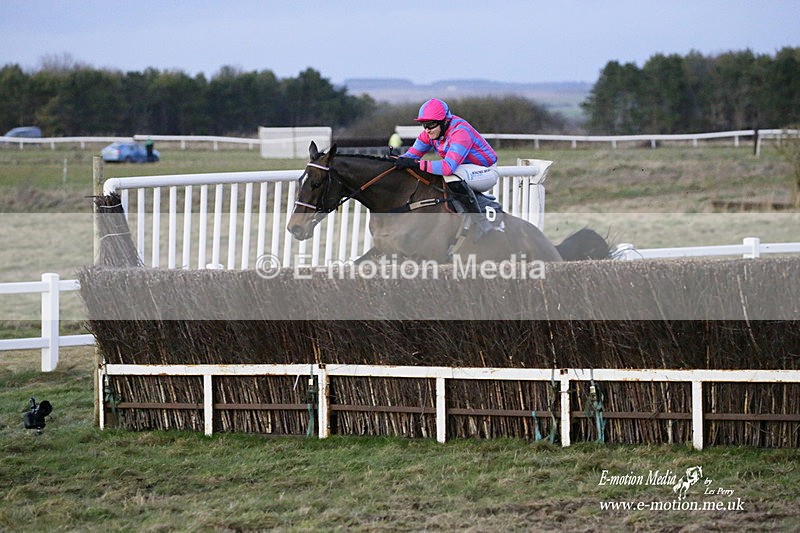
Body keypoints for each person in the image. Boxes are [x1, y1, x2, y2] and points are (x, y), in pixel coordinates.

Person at [394, 98, 499, 216]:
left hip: (486, 171)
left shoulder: (460, 132)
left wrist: (417, 163)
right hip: (463, 170)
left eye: (431, 124)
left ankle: (479, 220)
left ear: (445, 121)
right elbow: (409, 156)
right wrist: (393, 161)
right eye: (424, 125)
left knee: (449, 175)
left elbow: (447, 167)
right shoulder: (430, 133)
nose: (428, 130)